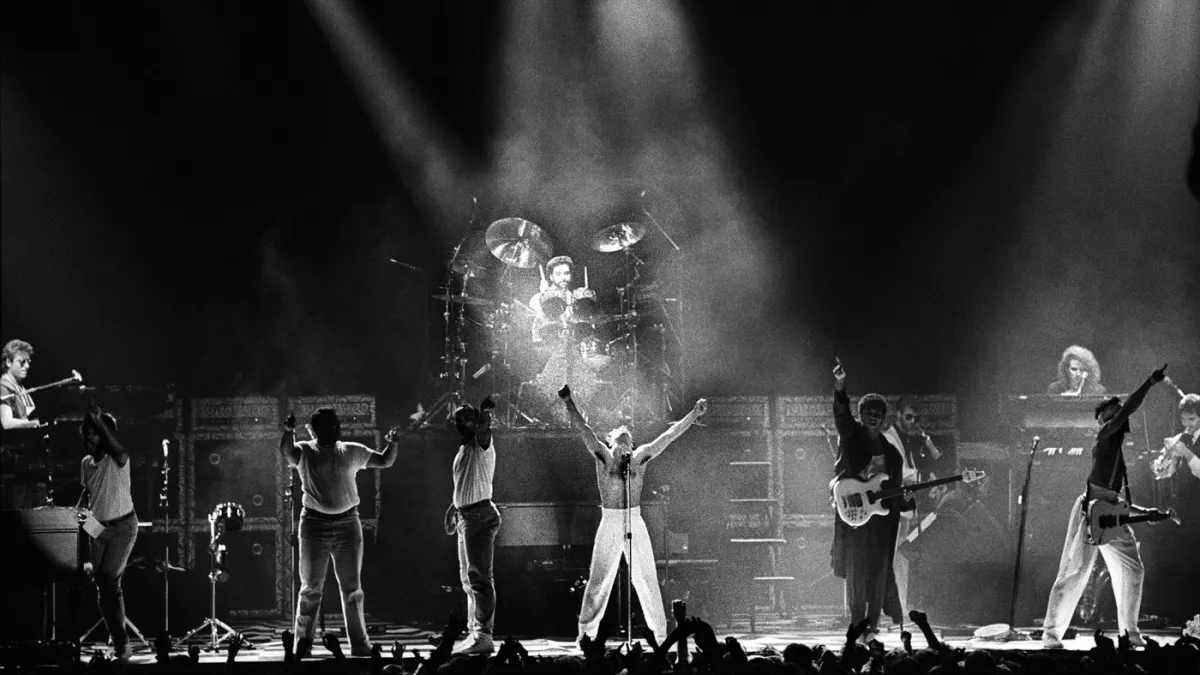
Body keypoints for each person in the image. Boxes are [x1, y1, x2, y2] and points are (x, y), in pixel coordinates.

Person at [558, 383, 707, 644]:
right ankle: (586, 635)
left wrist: (693, 414)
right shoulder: (603, 457)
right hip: (610, 520)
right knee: (599, 579)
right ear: (611, 442)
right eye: (620, 440)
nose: (625, 445)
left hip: (634, 520)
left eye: (628, 441)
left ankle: (660, 636)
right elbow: (584, 429)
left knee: (646, 578)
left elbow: (669, 435)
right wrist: (568, 401)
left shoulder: (639, 458)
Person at [1040, 363, 1168, 649]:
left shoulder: (1117, 449)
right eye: (1114, 410)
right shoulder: (1106, 434)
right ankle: (1050, 634)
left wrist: (1141, 512)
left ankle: (1130, 632)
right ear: (1103, 419)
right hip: (1092, 509)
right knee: (1075, 570)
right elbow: (1128, 409)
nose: (1120, 411)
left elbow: (1115, 497)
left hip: (1109, 510)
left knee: (1133, 569)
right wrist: (1149, 382)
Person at [280, 407, 399, 658]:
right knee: (310, 588)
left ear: (338, 427)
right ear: (315, 429)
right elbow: (288, 453)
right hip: (314, 525)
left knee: (352, 589)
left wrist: (393, 443)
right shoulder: (306, 450)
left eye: (333, 426)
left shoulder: (351, 450)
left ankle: (359, 644)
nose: (331, 431)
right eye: (324, 427)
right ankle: (303, 644)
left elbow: (385, 460)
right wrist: (289, 431)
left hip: (347, 525)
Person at [830, 361, 911, 641]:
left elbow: (896, 491)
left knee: (879, 573)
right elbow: (841, 414)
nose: (873, 416)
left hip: (881, 523)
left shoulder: (893, 455)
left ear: (884, 418)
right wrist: (840, 384)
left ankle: (873, 627)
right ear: (862, 415)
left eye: (878, 413)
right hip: (855, 518)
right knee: (856, 572)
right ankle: (857, 624)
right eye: (868, 412)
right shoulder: (851, 436)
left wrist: (906, 500)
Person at [79, 405, 137, 662]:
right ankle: (118, 639)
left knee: (109, 581)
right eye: (86, 434)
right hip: (97, 527)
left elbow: (120, 448)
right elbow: (89, 492)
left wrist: (99, 422)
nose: (88, 439)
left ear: (105, 434)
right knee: (102, 585)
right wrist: (79, 511)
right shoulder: (85, 464)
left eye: (94, 433)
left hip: (123, 526)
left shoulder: (118, 459)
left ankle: (122, 645)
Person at [445, 396, 502, 655]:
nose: (460, 422)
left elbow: (484, 429)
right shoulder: (464, 450)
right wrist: (453, 508)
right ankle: (473, 633)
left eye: (466, 418)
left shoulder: (481, 443)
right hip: (467, 516)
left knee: (479, 579)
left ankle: (483, 634)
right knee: (468, 580)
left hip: (479, 516)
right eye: (458, 419)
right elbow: (465, 484)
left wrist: (484, 412)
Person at [881, 397, 944, 617]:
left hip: (904, 506)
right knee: (892, 558)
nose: (913, 421)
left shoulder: (909, 440)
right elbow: (896, 472)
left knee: (902, 558)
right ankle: (891, 607)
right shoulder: (888, 439)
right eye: (908, 417)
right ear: (897, 415)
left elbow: (913, 468)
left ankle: (900, 604)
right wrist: (924, 477)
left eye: (916, 418)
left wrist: (927, 480)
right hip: (890, 507)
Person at [1, 339, 43, 429]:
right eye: (22, 362)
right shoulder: (3, 387)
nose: (27, 366)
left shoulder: (19, 387)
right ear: (9, 362)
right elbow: (7, 423)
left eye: (28, 361)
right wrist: (36, 423)